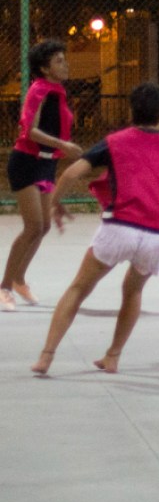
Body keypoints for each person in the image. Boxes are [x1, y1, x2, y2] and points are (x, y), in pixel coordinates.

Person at [30, 83, 159, 376]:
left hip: (120, 227)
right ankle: (112, 356)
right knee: (133, 291)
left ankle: (47, 356)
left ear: (131, 111)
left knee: (78, 288)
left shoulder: (115, 141)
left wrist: (55, 203)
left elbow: (73, 172)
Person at [3, 39, 83, 312]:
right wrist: (65, 146)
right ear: (44, 68)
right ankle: (3, 287)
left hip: (46, 164)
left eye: (64, 59)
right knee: (33, 226)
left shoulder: (57, 90)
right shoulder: (39, 90)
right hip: (26, 162)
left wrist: (59, 150)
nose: (65, 64)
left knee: (44, 226)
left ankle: (19, 280)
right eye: (59, 61)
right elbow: (30, 131)